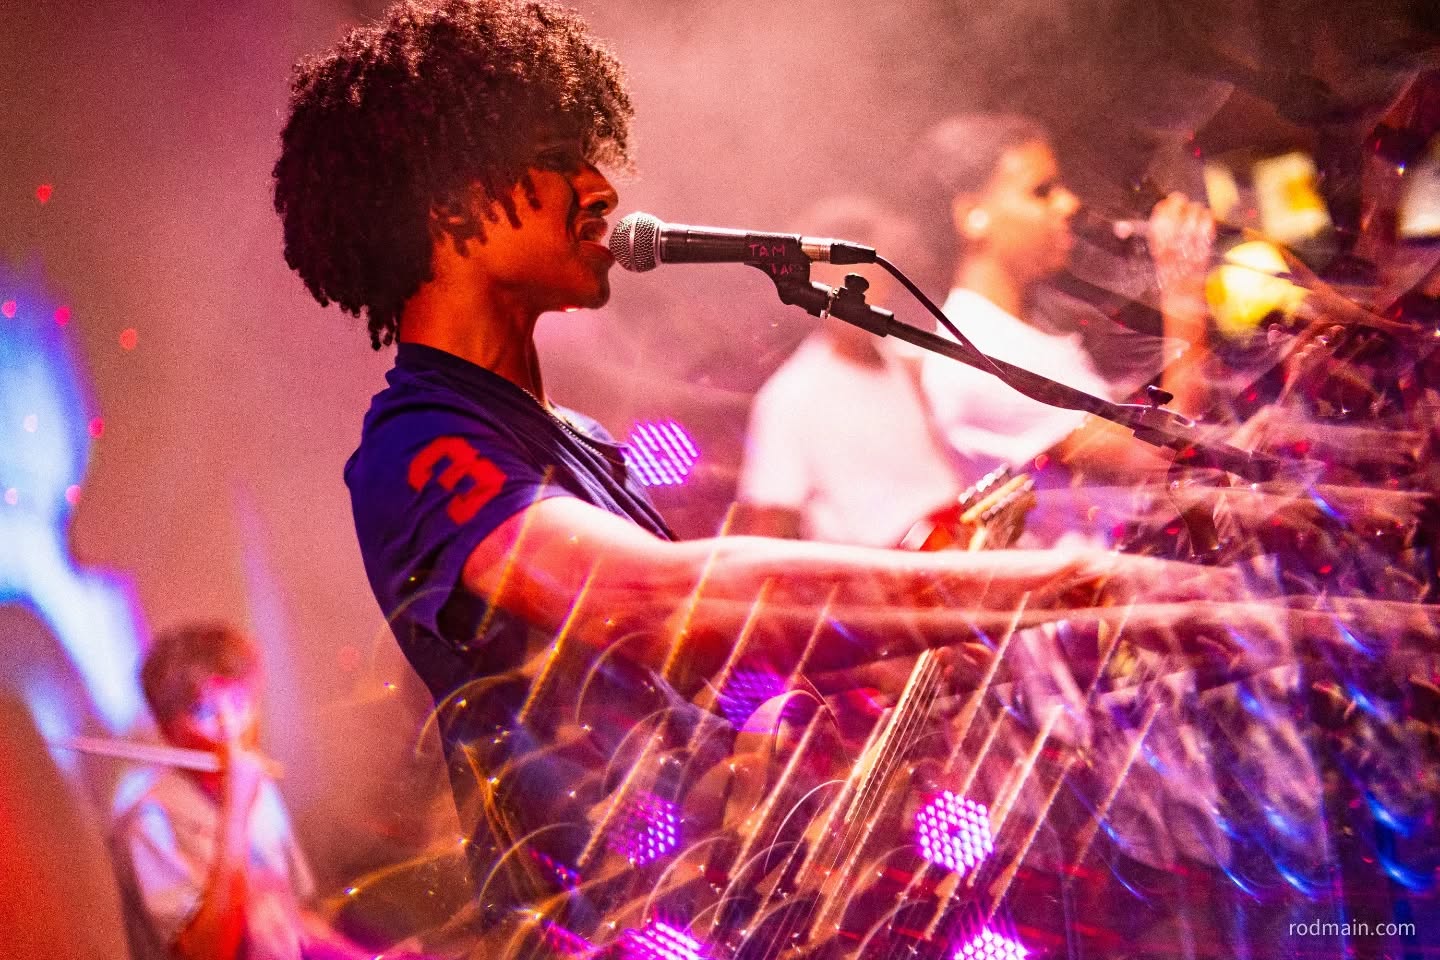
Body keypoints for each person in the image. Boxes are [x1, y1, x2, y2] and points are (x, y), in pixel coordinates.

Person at [271, 0, 1235, 947]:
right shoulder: (416, 442)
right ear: (448, 201)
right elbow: (651, 602)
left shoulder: (569, 442)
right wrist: (1057, 584)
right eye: (558, 158)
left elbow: (700, 685)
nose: (602, 188)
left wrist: (848, 686)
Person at [906, 113, 1218, 491]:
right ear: (973, 216)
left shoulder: (1019, 330)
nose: (1068, 203)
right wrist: (1182, 285)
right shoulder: (977, 359)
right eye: (1042, 191)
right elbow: (1161, 458)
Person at [111, 622, 377, 960]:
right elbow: (207, 953)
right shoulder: (147, 821)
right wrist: (235, 813)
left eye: (238, 703)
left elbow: (288, 920)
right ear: (167, 730)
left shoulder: (258, 786)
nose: (229, 728)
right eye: (204, 711)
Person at [735, 195, 965, 547]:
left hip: (961, 554)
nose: (860, 304)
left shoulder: (912, 367)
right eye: (843, 290)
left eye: (871, 287)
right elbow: (770, 535)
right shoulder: (788, 398)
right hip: (888, 584)